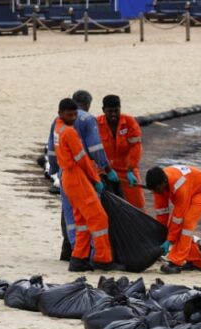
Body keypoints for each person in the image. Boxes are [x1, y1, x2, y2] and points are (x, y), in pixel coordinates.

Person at [46, 89, 115, 258]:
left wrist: (54, 170)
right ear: (88, 104)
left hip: (63, 174)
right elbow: (94, 150)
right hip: (81, 175)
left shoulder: (58, 122)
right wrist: (106, 170)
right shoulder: (87, 120)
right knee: (92, 215)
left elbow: (52, 150)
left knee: (70, 214)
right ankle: (93, 255)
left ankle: (71, 250)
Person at [144, 165, 201, 274]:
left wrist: (169, 240)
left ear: (164, 182)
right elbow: (162, 213)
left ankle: (176, 261)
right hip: (190, 187)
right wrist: (160, 233)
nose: (156, 193)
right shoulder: (158, 186)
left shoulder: (179, 186)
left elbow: (178, 218)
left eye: (157, 190)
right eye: (154, 190)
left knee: (187, 223)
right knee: (179, 225)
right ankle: (196, 262)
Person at [96, 94, 145, 209]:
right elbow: (93, 150)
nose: (113, 114)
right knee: (104, 206)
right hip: (104, 170)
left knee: (137, 204)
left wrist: (130, 169)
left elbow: (136, 148)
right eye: (110, 111)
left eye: (116, 111)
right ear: (103, 110)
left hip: (127, 171)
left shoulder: (129, 122)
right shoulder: (96, 124)